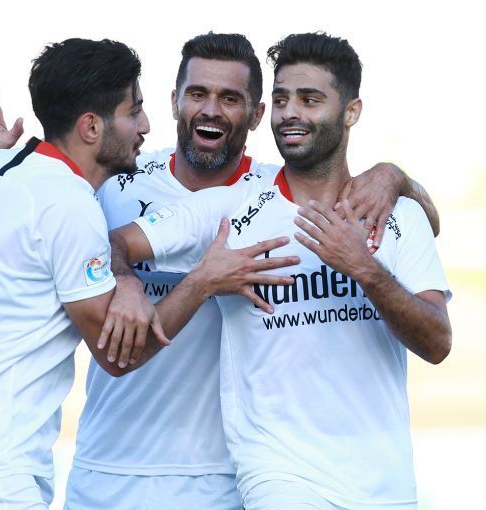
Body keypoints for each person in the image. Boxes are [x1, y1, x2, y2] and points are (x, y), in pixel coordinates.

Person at [0, 37, 295, 509]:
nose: (144, 125)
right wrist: (194, 280)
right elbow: (117, 356)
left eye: (229, 98)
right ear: (91, 126)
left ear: (255, 113)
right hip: (13, 468)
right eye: (134, 112)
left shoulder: (9, 169)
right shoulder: (75, 200)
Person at [110, 32, 452, 509]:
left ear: (351, 111)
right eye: (282, 100)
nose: (291, 113)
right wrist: (127, 282)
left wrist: (366, 269)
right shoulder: (229, 207)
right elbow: (117, 242)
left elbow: (438, 343)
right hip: (279, 480)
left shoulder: (397, 214)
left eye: (310, 100)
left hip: (385, 488)